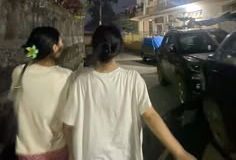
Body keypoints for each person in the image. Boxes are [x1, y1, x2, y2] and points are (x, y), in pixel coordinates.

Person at [62, 25, 197, 160]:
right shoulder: (133, 80)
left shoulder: (81, 82)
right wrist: (180, 152)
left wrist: (72, 154)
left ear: (93, 47)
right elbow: (150, 116)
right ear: (119, 47)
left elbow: (68, 125)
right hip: (125, 155)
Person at [9, 26, 72, 160]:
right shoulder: (66, 76)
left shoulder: (19, 72)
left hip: (26, 152)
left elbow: (15, 102)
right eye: (60, 40)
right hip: (56, 148)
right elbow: (70, 118)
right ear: (54, 48)